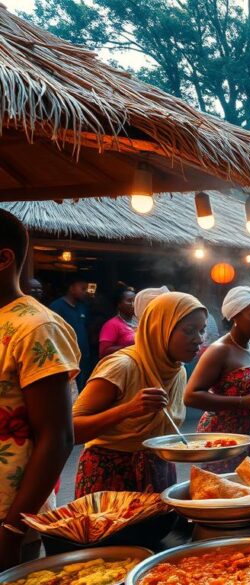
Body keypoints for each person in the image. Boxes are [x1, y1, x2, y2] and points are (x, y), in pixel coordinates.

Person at [0, 211, 77, 569]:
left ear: (4, 258)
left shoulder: (35, 327)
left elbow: (58, 436)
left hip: (6, 516)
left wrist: (12, 531)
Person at [73, 292, 206, 496]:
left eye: (202, 330)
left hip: (159, 471)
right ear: (160, 329)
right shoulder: (122, 366)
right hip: (110, 476)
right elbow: (72, 431)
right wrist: (128, 409)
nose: (198, 339)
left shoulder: (177, 369)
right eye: (189, 331)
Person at [185, 287, 250, 471]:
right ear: (235, 315)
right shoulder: (219, 350)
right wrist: (242, 402)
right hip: (226, 438)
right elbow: (191, 396)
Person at [50, 279, 91, 388]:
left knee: (82, 384)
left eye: (86, 289)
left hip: (82, 354)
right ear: (72, 288)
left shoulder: (82, 306)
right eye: (82, 289)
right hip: (66, 355)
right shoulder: (57, 306)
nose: (85, 292)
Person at [98, 286, 137, 358]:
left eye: (135, 301)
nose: (133, 304)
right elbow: (103, 352)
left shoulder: (140, 321)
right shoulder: (112, 324)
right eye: (129, 301)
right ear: (119, 304)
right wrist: (131, 347)